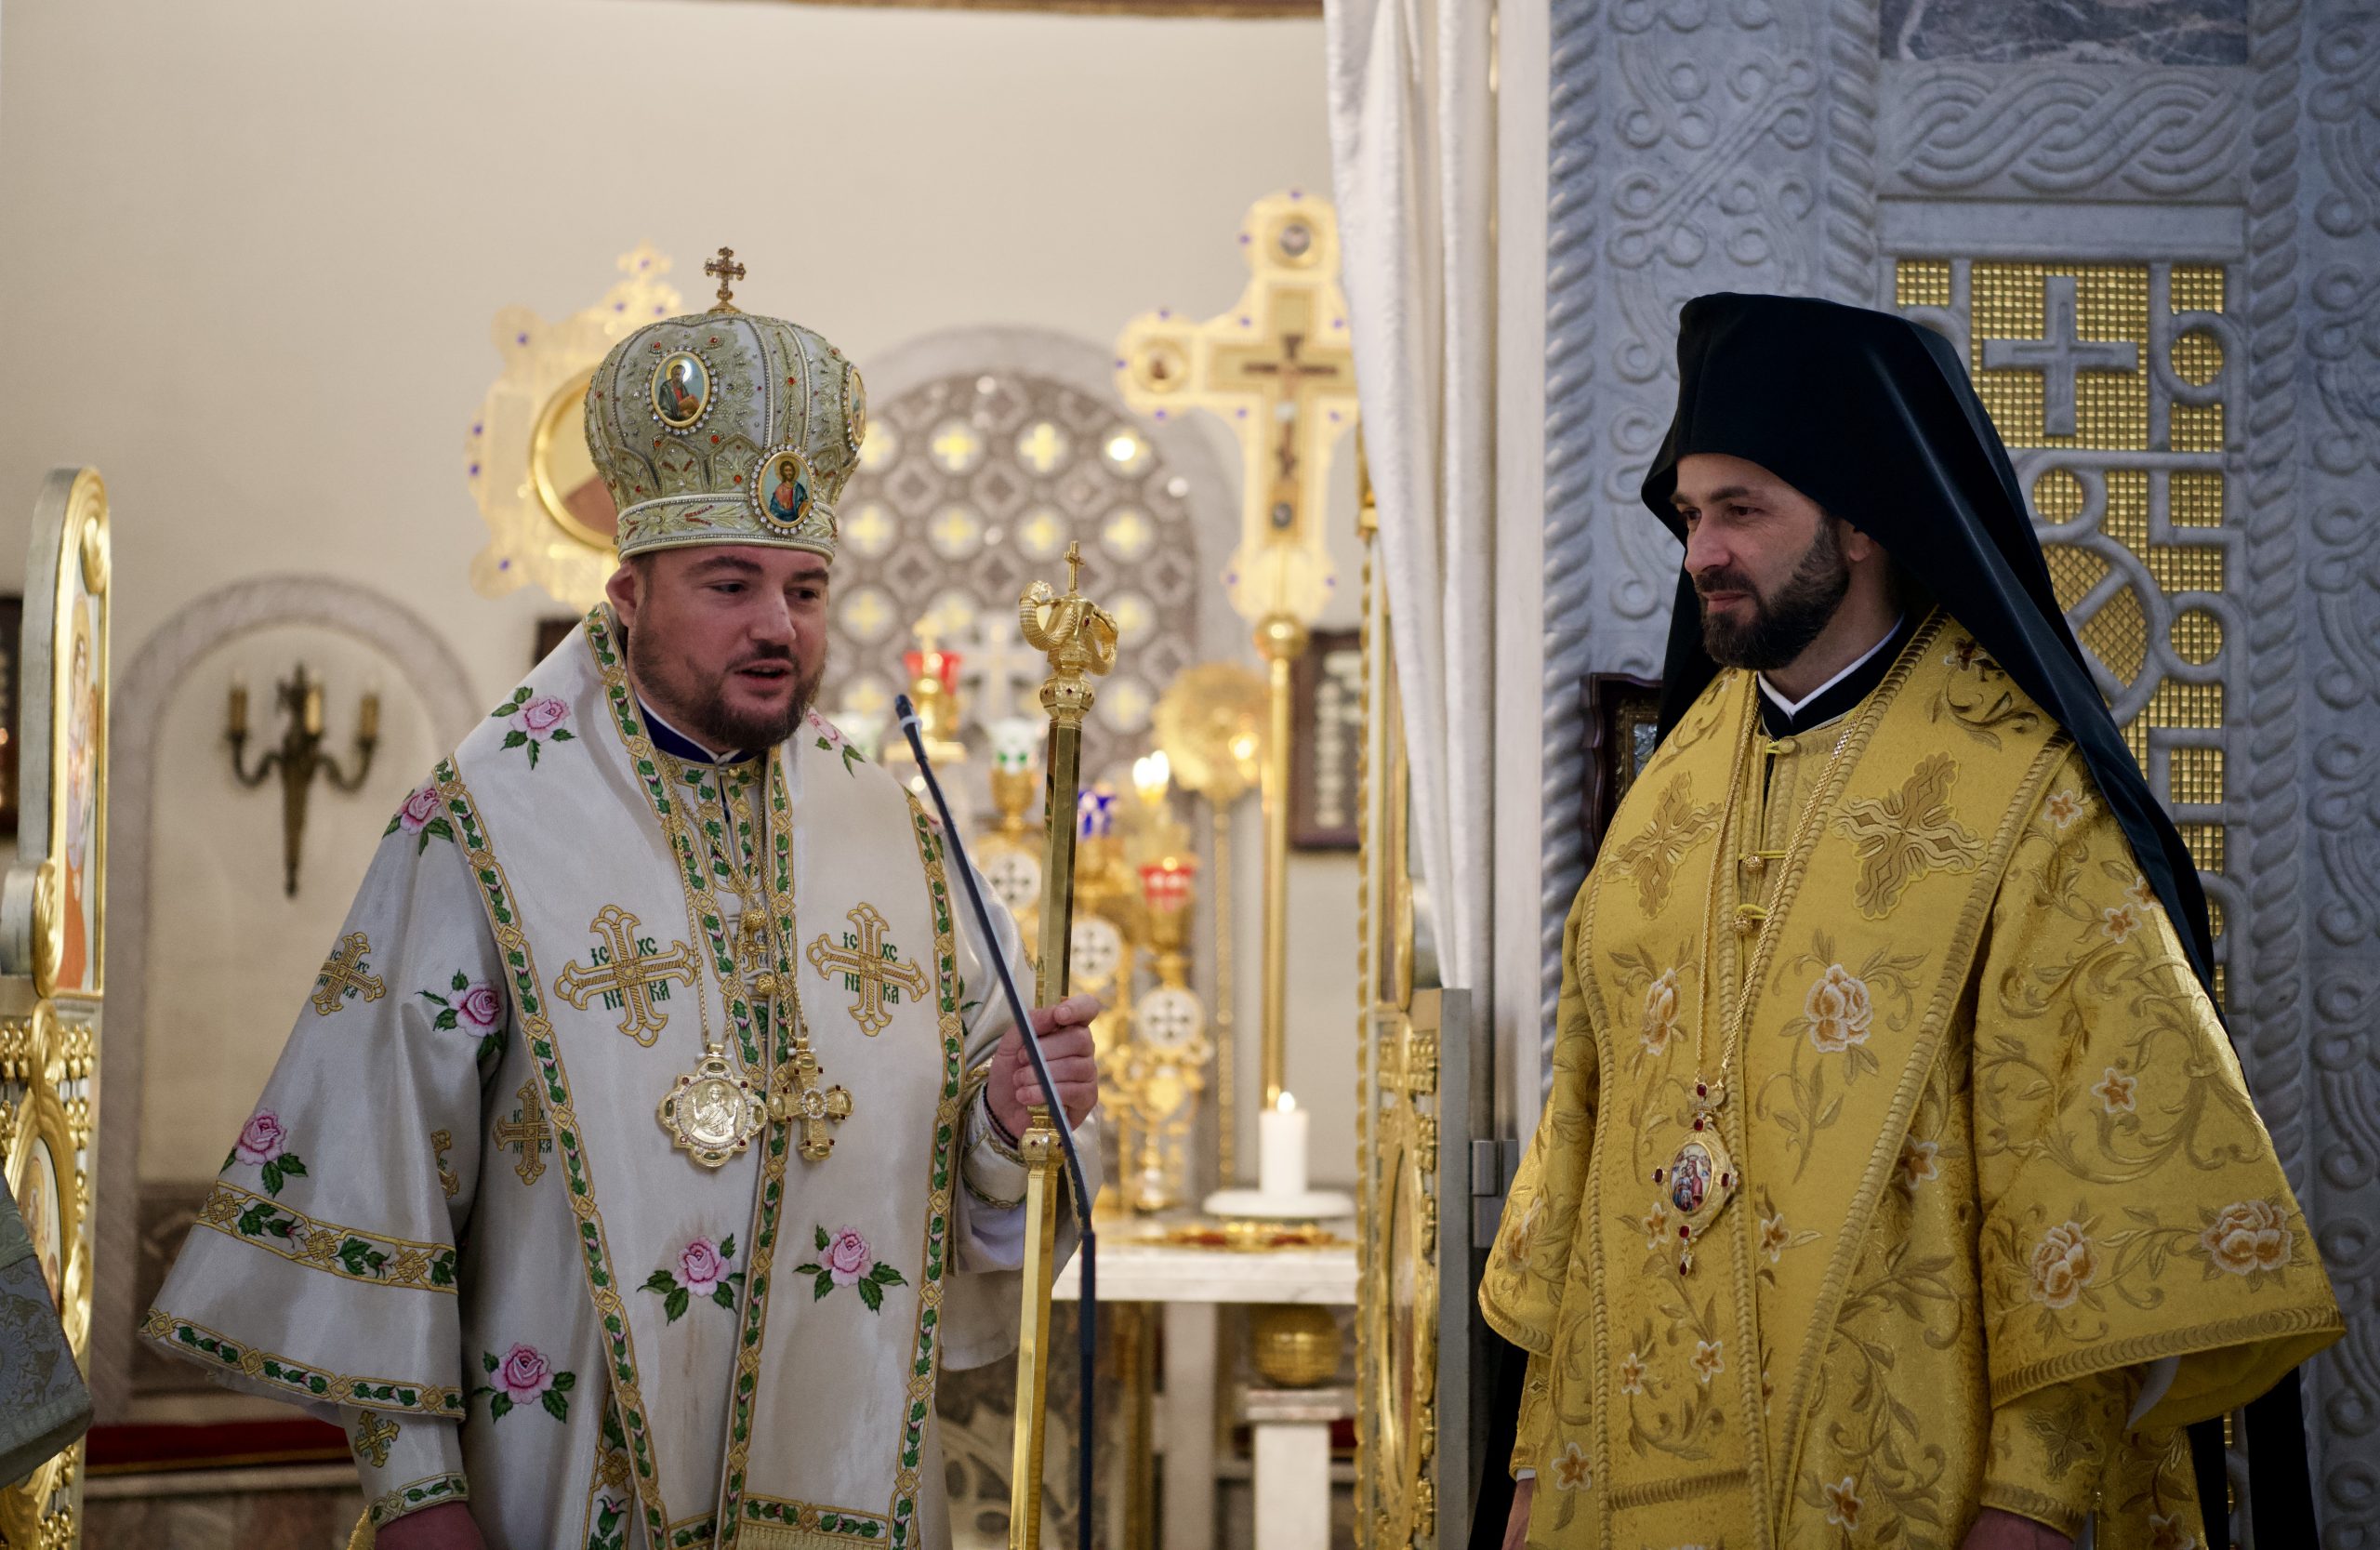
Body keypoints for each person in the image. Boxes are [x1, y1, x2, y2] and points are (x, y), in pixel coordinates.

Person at [145, 295, 1103, 1550]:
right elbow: (382, 1165)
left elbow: (971, 1181)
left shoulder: (901, 839)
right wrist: (418, 1494)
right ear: (629, 592)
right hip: (560, 1475)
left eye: (806, 588)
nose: (778, 625)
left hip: (838, 1476)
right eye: (730, 584)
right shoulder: (484, 824)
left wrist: (1010, 1121)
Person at [1482, 294, 2341, 1550]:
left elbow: (2093, 1188)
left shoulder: (2024, 800)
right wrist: (1532, 1478)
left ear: (1862, 518)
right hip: (1625, 1485)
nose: (1701, 553)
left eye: (1740, 511)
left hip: (1907, 1492)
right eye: (1690, 514)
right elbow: (1586, 1146)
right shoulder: (1668, 795)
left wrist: (2032, 1506)